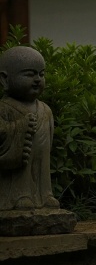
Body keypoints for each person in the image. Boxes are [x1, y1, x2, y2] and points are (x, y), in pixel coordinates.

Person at [0, 46, 60, 212]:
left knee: (43, 164)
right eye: (29, 74)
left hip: (41, 152)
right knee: (22, 169)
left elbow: (50, 140)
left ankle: (44, 193)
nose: (37, 80)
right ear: (4, 79)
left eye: (41, 74)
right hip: (16, 165)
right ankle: (19, 195)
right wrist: (19, 128)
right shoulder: (4, 108)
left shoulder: (45, 110)